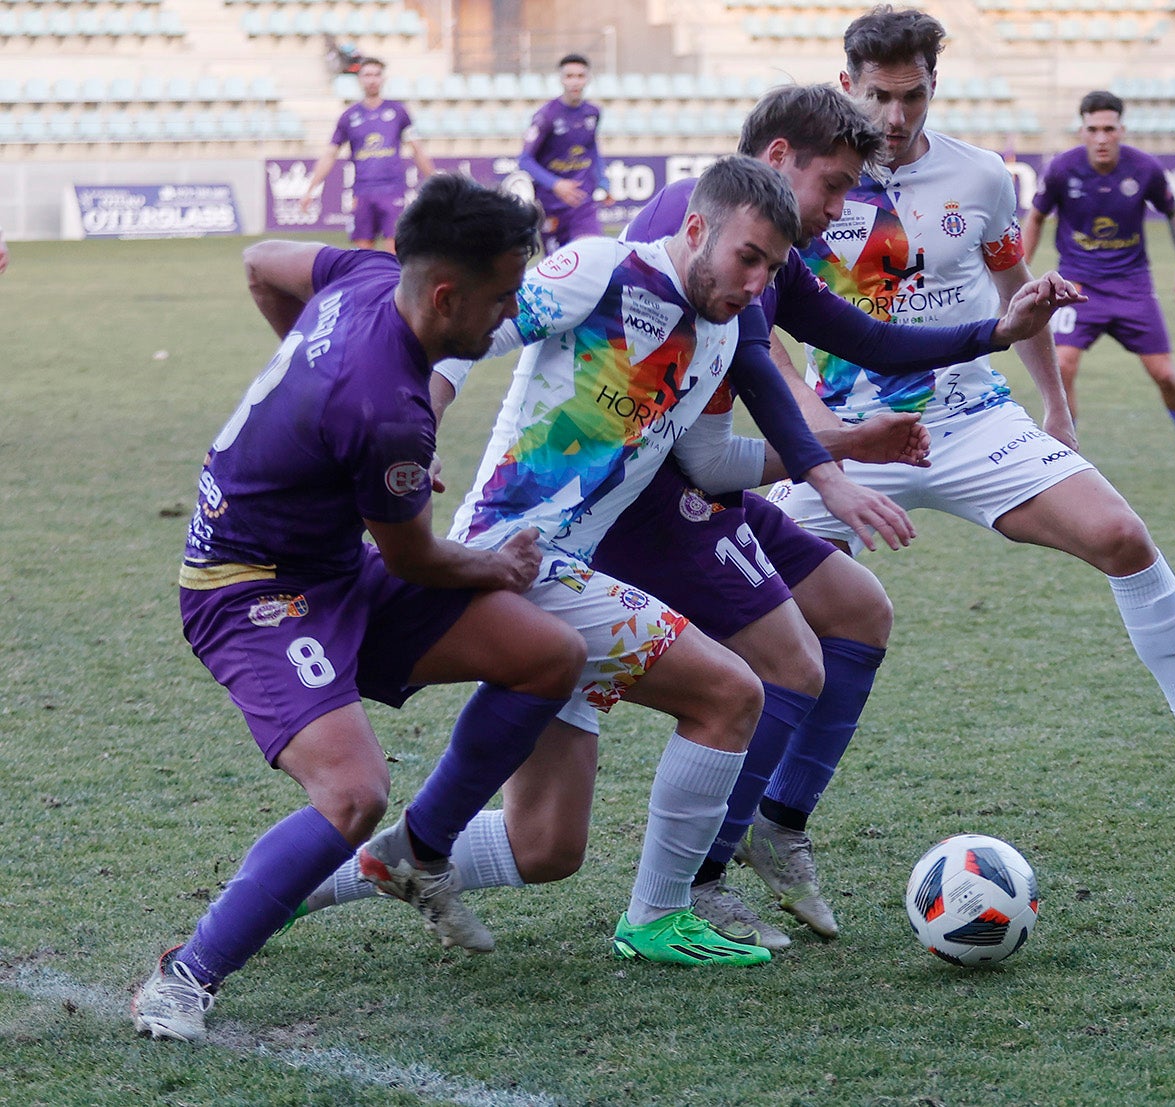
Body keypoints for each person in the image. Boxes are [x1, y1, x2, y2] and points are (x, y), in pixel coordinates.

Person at [291, 85, 1080, 951]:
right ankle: (667, 907)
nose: (839, 210)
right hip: (521, 554)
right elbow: (466, 329)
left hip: (583, 560)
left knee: (545, 844)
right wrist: (417, 418)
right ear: (739, 199)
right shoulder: (619, 262)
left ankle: (297, 889)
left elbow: (724, 450)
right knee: (738, 685)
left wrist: (957, 362)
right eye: (835, 185)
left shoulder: (725, 318)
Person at [765, 4, 1175, 847]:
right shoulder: (808, 183)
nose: (895, 119)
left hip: (972, 418)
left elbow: (1020, 299)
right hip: (848, 433)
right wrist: (814, 424)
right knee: (762, 602)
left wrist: (1057, 407)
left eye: (913, 96)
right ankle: (753, 820)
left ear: (935, 86)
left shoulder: (980, 177)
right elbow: (760, 319)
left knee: (1121, 534)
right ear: (845, 87)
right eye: (878, 98)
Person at [130, 174, 588, 1043]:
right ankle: (182, 978)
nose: (508, 314)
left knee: (550, 658)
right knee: (351, 794)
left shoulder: (367, 275)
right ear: (447, 293)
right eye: (500, 297)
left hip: (333, 565)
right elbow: (416, 556)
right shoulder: (382, 408)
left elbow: (262, 261)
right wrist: (497, 565)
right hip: (250, 588)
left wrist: (316, 414)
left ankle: (423, 850)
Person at [1022, 90, 1175, 484]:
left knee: (1165, 374)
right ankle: (1066, 463)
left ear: (1121, 130)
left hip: (1133, 287)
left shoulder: (1144, 168)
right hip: (1076, 286)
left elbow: (1173, 213)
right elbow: (1035, 218)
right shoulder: (1063, 169)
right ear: (1082, 130)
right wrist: (1022, 272)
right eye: (1093, 129)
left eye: (1109, 129)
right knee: (1062, 365)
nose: (1101, 137)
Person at [298, 57, 435, 252]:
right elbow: (330, 154)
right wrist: (310, 188)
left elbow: (417, 149)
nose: (372, 80)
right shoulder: (349, 116)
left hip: (392, 190)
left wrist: (436, 183)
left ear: (383, 79)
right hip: (362, 192)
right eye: (367, 75)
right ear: (359, 79)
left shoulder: (398, 112)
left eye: (376, 75)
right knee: (363, 255)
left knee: (395, 251)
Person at [518, 53, 609, 256]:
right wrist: (556, 184)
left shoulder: (593, 113)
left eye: (580, 76)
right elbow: (524, 160)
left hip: (582, 204)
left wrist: (602, 180)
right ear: (561, 79)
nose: (575, 81)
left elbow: (592, 147)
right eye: (569, 76)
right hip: (551, 205)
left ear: (588, 79)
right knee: (559, 268)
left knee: (592, 256)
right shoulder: (546, 116)